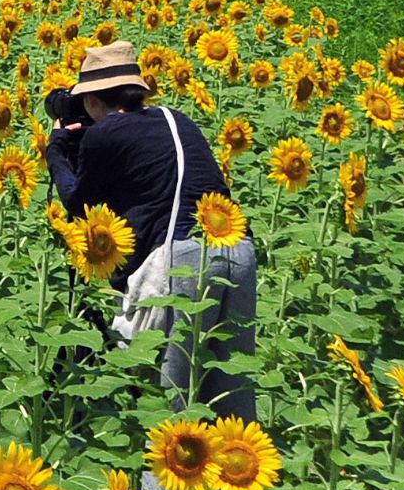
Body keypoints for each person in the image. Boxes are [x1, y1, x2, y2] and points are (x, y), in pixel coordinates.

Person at [47, 41, 258, 427]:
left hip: (183, 263)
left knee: (167, 410)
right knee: (229, 399)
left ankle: (156, 489)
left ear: (92, 100)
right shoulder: (177, 119)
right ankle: (225, 486)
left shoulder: (104, 133)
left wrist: (58, 152)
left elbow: (80, 207)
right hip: (237, 249)